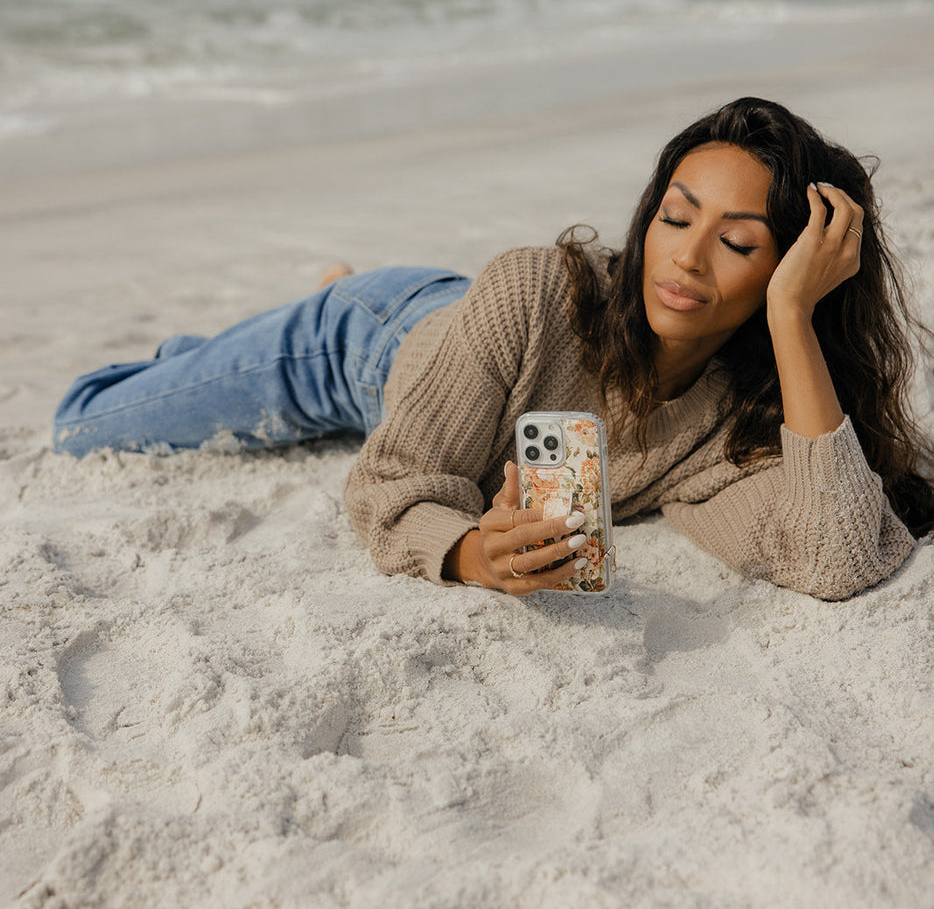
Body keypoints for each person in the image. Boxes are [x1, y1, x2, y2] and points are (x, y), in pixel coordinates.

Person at [53, 98, 933, 601]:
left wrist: (790, 322)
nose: (686, 259)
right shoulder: (535, 289)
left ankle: (300, 303)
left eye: (739, 246)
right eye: (673, 216)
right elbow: (390, 483)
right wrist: (472, 554)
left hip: (463, 339)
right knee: (85, 424)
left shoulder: (739, 421)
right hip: (369, 343)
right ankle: (313, 300)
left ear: (797, 275)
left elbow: (836, 556)